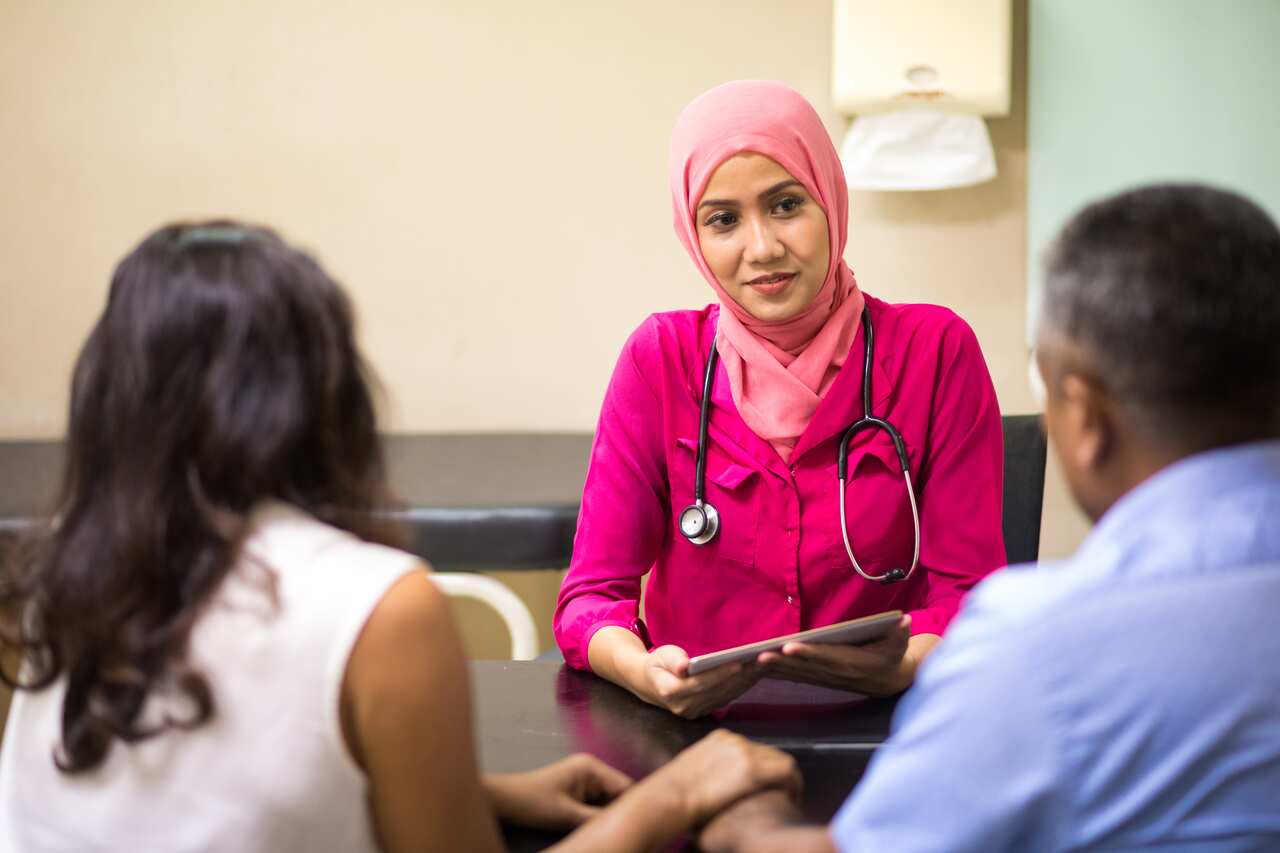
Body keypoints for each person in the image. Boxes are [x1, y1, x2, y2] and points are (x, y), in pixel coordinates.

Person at [0, 223, 801, 852]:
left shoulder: (69, 570)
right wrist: (672, 798)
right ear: (322, 395)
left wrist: (480, 792)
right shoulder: (379, 608)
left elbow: (194, 795)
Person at [695, 183, 1280, 851]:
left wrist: (728, 811)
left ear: (1084, 419)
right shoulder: (663, 355)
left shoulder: (1037, 649)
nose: (762, 245)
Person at [554, 80, 1006, 717]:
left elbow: (973, 593)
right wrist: (641, 671)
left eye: (786, 204)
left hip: (892, 731)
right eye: (723, 219)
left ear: (829, 199)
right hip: (698, 745)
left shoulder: (935, 351)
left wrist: (904, 665)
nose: (762, 248)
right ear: (693, 232)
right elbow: (591, 599)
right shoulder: (661, 361)